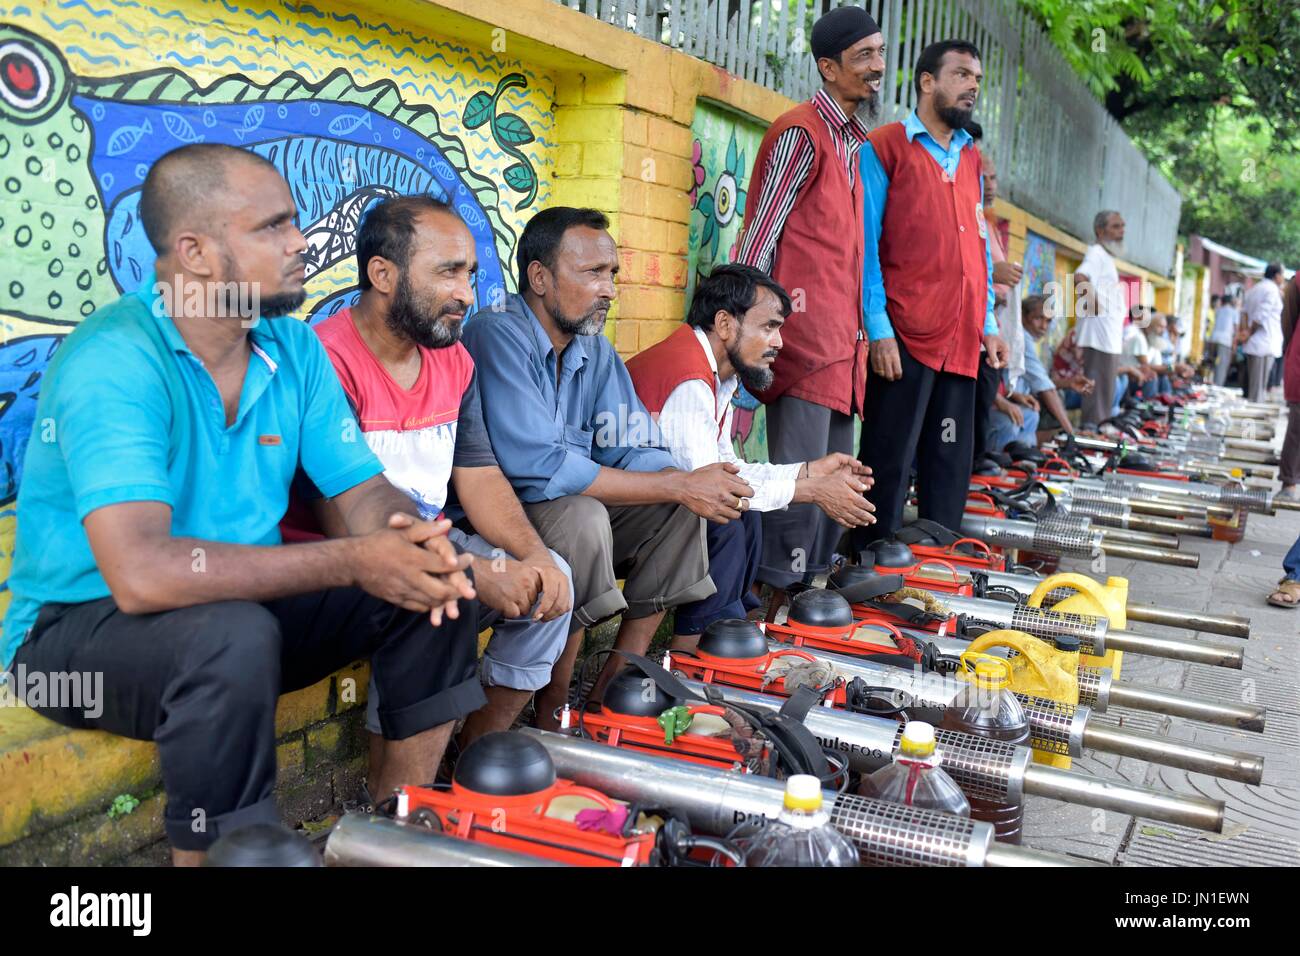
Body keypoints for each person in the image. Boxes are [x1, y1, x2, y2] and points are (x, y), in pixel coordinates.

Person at [2, 145, 481, 865]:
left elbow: (361, 490)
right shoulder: (116, 359)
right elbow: (143, 575)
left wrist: (412, 542)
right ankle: (222, 857)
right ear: (194, 252)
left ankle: (392, 833)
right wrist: (355, 558)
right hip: (76, 632)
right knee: (228, 638)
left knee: (438, 587)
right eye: (274, 228)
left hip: (235, 617)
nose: (304, 243)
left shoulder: (291, 347)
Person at [284, 195, 574, 752]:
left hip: (435, 540)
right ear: (383, 274)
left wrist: (533, 557)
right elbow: (348, 523)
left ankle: (473, 757)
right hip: (346, 558)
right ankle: (393, 802)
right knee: (445, 599)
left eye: (470, 272)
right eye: (447, 272)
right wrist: (472, 572)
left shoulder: (452, 358)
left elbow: (480, 474)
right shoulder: (325, 362)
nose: (467, 293)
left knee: (551, 578)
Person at [463, 206, 751, 728]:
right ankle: (550, 712)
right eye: (593, 273)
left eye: (612, 274)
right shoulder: (496, 332)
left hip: (566, 510)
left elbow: (633, 442)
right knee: (584, 516)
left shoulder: (592, 348)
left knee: (678, 507)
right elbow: (536, 467)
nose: (610, 290)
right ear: (540, 278)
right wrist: (674, 480)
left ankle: (612, 692)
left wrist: (681, 483)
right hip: (497, 520)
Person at [626, 263, 876, 648]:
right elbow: (713, 488)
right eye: (768, 327)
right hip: (625, 516)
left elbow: (727, 470)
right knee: (725, 518)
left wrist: (808, 472)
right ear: (725, 324)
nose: (778, 342)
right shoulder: (688, 378)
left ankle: (725, 633)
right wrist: (813, 491)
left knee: (746, 515)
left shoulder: (713, 374)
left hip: (659, 507)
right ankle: (693, 653)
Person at [734, 5, 885, 590]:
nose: (877, 68)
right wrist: (751, 332)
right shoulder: (802, 132)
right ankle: (773, 604)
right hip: (801, 345)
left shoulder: (857, 144)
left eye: (879, 53)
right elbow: (760, 237)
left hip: (843, 349)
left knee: (838, 480)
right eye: (862, 57)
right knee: (800, 484)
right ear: (827, 67)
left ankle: (811, 599)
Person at [855, 39, 1008, 548]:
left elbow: (980, 246)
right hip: (905, 336)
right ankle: (868, 568)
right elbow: (866, 243)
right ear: (927, 81)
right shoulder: (886, 146)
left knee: (949, 461)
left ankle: (937, 569)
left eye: (978, 80)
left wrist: (988, 324)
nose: (972, 87)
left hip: (961, 339)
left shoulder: (970, 157)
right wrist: (878, 330)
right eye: (962, 75)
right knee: (888, 461)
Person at [965, 121, 1024, 464]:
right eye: (983, 177)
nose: (990, 184)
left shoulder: (987, 221)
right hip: (971, 328)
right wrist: (993, 276)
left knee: (983, 396)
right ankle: (974, 461)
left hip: (990, 326)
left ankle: (978, 458)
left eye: (992, 178)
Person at [986, 294, 1089, 448]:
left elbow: (1040, 382)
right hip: (992, 403)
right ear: (1023, 316)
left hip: (1007, 397)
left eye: (1048, 321)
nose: (1043, 326)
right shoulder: (1021, 339)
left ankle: (1026, 456)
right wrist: (1071, 434)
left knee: (1034, 410)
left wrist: (1068, 383)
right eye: (1038, 318)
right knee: (1041, 407)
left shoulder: (1023, 338)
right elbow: (1046, 388)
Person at [1074, 210, 1130, 430]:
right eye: (1116, 226)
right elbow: (1080, 277)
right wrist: (1092, 303)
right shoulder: (1096, 252)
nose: (1122, 231)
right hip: (1098, 338)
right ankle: (1091, 440)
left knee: (1104, 395)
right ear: (1100, 230)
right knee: (1096, 398)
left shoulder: (1106, 256)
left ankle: (1096, 437)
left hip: (1106, 339)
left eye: (1122, 226)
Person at [1241, 263, 1285, 403]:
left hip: (1255, 343)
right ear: (1277, 275)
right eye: (1282, 275)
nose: (1283, 278)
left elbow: (1244, 313)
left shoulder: (1255, 288)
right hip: (1263, 343)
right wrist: (1249, 332)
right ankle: (1251, 421)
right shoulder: (1271, 290)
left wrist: (1245, 333)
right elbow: (1260, 316)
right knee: (1257, 391)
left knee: (1255, 389)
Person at [1206, 293, 1239, 387]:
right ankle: (1218, 384)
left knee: (1212, 362)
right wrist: (1234, 344)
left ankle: (1210, 382)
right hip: (1225, 340)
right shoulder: (1234, 312)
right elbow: (1235, 329)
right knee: (1222, 364)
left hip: (1213, 338)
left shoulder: (1218, 310)